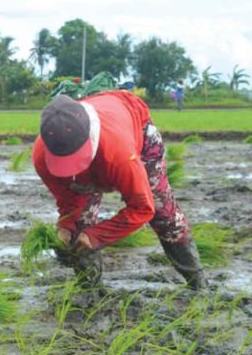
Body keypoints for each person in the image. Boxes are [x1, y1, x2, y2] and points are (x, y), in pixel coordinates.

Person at [32, 90, 207, 290]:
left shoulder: (118, 154)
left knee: (163, 214)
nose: (74, 169)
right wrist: (67, 226)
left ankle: (199, 284)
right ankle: (90, 292)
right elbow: (69, 201)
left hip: (135, 130)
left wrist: (97, 235)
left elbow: (142, 208)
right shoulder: (42, 157)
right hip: (97, 134)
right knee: (79, 225)